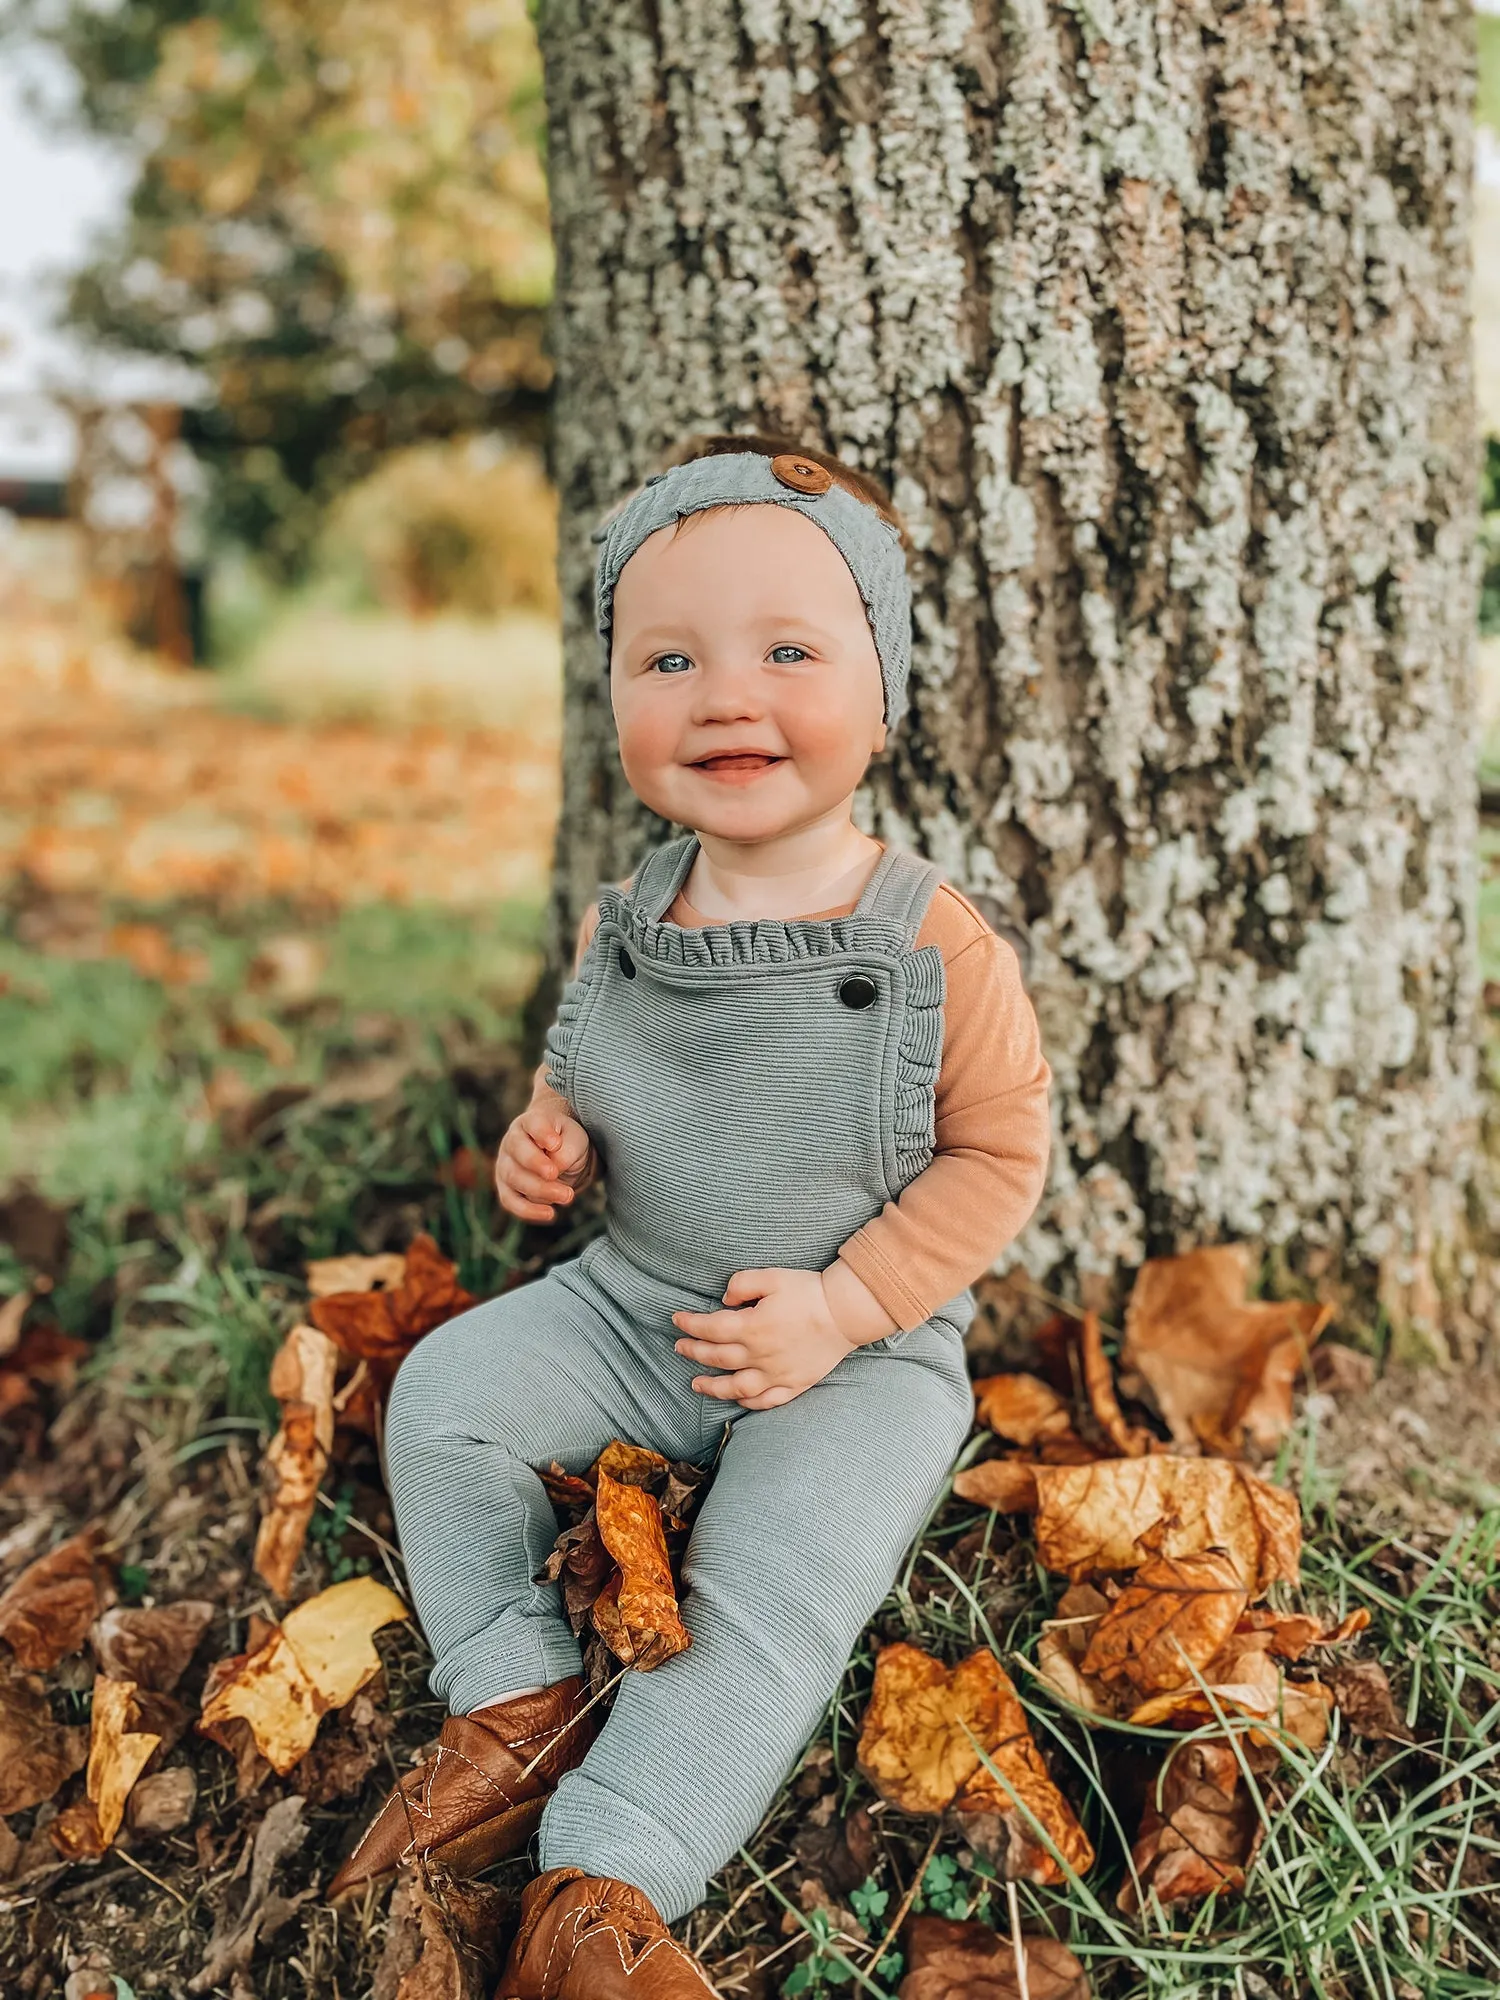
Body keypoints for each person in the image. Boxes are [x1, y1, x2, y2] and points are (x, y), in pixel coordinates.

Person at [327, 435, 1052, 1997]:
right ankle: (517, 1707)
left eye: (790, 650)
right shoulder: (630, 914)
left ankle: (605, 1878)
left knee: (775, 1581)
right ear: (619, 699)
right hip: (630, 1299)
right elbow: (580, 1071)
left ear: (883, 688)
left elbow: (1000, 1160)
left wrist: (847, 1309)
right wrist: (549, 1144)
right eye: (671, 658)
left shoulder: (929, 941)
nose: (728, 695)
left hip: (858, 1353)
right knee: (446, 1397)